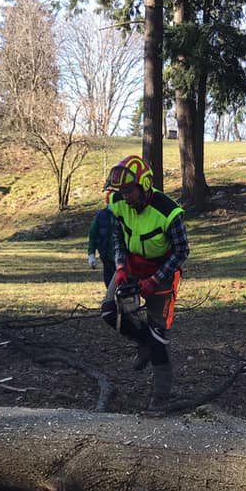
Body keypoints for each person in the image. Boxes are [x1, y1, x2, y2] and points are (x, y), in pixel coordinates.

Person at [100, 154, 189, 410]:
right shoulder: (118, 203)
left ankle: (159, 399)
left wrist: (155, 280)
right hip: (130, 267)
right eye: (121, 191)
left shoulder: (168, 212)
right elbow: (118, 237)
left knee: (158, 334)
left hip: (162, 270)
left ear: (144, 184)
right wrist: (119, 265)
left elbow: (182, 251)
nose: (125, 196)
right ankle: (142, 341)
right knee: (109, 312)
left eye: (129, 190)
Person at [86, 204, 115, 286]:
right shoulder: (101, 216)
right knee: (109, 283)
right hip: (107, 258)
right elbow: (92, 235)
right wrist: (91, 254)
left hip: (126, 259)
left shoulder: (127, 213)